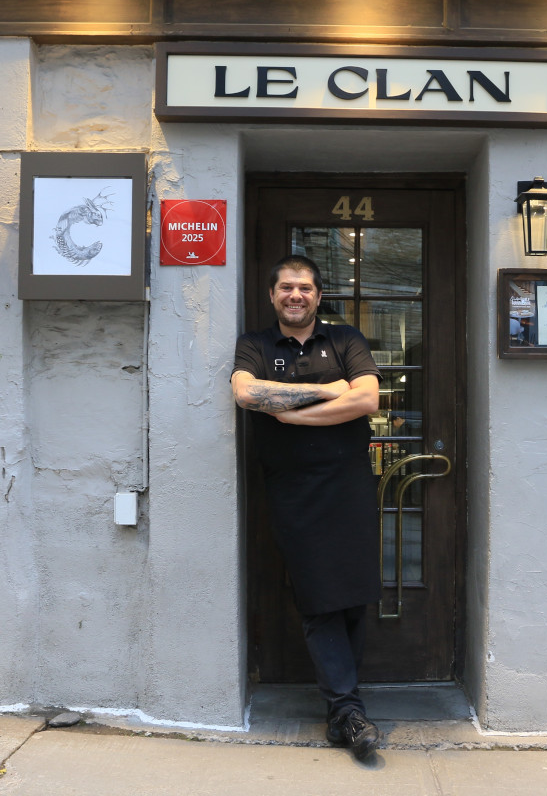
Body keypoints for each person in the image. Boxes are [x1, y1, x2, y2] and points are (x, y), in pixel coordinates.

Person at [231, 254, 383, 760]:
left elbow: (366, 400)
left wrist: (291, 415)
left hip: (349, 485)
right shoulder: (255, 344)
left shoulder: (346, 340)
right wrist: (325, 391)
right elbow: (247, 394)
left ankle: (344, 712)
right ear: (273, 295)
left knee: (355, 596)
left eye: (305, 288)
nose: (295, 295)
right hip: (293, 491)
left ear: (318, 296)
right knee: (319, 597)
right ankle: (347, 710)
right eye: (286, 287)